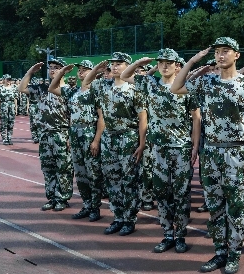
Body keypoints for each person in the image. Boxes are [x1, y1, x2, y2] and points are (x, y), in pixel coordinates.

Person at [171, 37, 244, 274]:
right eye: (218, 51)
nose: (221, 55)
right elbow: (176, 87)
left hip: (235, 152)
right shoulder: (206, 82)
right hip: (210, 152)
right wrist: (193, 60)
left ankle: (234, 254)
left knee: (236, 207)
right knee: (215, 205)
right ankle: (220, 251)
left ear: (236, 55)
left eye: (226, 51)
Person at [122, 50, 200, 254]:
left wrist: (195, 146)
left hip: (181, 148)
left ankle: (180, 235)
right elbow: (125, 76)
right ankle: (167, 234)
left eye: (169, 63)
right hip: (157, 149)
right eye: (161, 63)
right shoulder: (150, 84)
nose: (164, 66)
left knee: (181, 194)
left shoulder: (185, 87)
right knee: (162, 193)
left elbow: (196, 118)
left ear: (177, 66)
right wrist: (140, 62)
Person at [82, 53, 146, 235]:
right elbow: (86, 82)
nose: (115, 67)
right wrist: (97, 68)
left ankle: (129, 219)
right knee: (112, 179)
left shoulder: (135, 88)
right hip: (109, 138)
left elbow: (143, 118)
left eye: (119, 64)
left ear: (128, 66)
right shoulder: (104, 85)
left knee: (129, 180)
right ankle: (118, 217)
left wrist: (142, 144)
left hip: (128, 137)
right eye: (113, 64)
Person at [50, 60, 104, 222]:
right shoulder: (73, 92)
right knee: (80, 174)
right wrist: (62, 72)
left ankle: (95, 207)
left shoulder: (96, 92)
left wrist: (96, 140)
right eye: (79, 69)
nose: (81, 72)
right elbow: (52, 88)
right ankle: (86, 205)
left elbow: (102, 118)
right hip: (75, 133)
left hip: (89, 133)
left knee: (93, 173)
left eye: (85, 70)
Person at [20, 60, 73, 212]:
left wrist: (70, 136)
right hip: (45, 134)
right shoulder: (42, 89)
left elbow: (73, 115)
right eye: (51, 68)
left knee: (63, 168)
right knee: (48, 168)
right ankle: (52, 197)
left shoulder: (68, 91)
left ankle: (62, 198)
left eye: (57, 68)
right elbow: (22, 88)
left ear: (64, 71)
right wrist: (30, 72)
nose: (52, 70)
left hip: (61, 133)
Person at [0, 75, 18, 144]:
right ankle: (4, 138)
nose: (9, 81)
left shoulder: (14, 88)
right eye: (7, 79)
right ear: (4, 80)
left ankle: (9, 137)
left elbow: (15, 99)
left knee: (11, 123)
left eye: (10, 79)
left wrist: (16, 108)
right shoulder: (0, 88)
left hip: (11, 106)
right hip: (4, 106)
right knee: (3, 123)